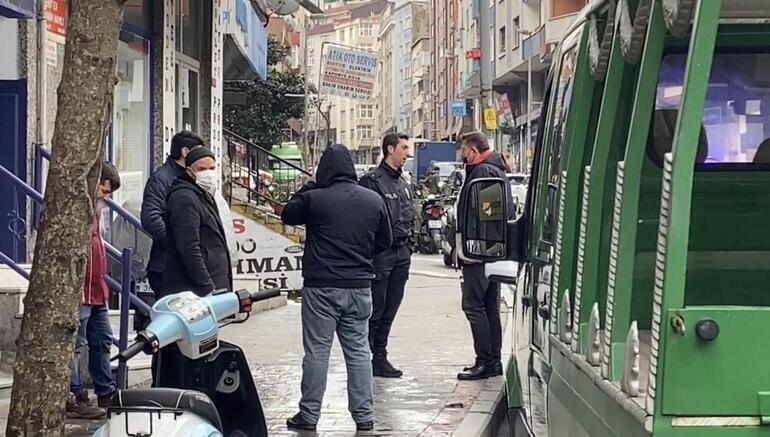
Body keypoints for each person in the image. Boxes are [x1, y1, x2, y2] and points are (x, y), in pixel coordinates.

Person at [281, 144, 392, 433]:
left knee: (317, 352)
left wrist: (311, 184)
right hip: (359, 286)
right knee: (359, 352)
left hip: (321, 287)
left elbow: (288, 214)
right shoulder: (373, 200)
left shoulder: (315, 199)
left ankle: (309, 415)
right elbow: (385, 242)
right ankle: (364, 416)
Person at [456, 132, 515, 381]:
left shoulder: (484, 172)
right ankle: (492, 360)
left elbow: (489, 215)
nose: (462, 156)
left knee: (474, 305)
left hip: (481, 254)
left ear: (473, 150)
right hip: (489, 252)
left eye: (463, 150)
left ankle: (486, 361)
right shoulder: (492, 169)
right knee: (489, 306)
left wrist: (477, 251)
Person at [67, 162, 121, 418]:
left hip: (96, 287)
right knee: (76, 344)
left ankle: (105, 391)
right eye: (104, 190)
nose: (106, 197)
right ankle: (74, 394)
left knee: (102, 339)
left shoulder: (97, 211)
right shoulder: (78, 210)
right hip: (82, 288)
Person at [359, 133, 415, 378]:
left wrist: (409, 246)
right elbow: (364, 221)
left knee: (391, 308)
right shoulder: (372, 181)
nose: (407, 153)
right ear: (390, 149)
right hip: (381, 255)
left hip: (401, 253)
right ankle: (366, 357)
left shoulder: (403, 182)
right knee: (376, 310)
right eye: (404, 148)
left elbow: (410, 215)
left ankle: (380, 356)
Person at [161, 145, 232, 297]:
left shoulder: (203, 194)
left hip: (212, 285)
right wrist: (207, 287)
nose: (208, 174)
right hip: (194, 292)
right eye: (201, 169)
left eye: (212, 168)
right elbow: (188, 247)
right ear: (189, 171)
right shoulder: (184, 198)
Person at [141, 130, 204, 294]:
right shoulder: (162, 179)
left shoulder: (193, 178)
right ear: (185, 152)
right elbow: (151, 218)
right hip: (167, 266)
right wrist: (180, 242)